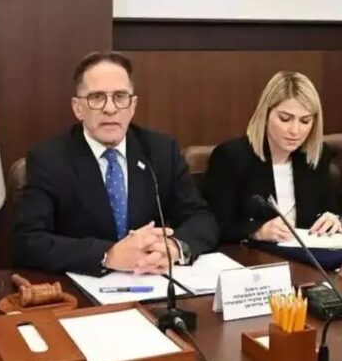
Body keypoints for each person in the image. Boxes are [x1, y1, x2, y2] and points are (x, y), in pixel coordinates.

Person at [13, 51, 219, 275]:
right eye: (97, 97)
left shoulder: (160, 151)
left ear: (132, 106)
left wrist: (173, 247)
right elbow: (28, 241)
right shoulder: (49, 159)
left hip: (150, 279)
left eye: (120, 97)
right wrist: (107, 255)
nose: (110, 108)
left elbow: (201, 219)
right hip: (82, 286)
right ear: (78, 108)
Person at [204, 72, 342, 243]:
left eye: (305, 121)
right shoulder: (231, 157)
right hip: (253, 256)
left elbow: (333, 211)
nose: (295, 130)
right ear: (265, 115)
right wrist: (256, 232)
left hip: (308, 255)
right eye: (285, 119)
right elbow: (213, 226)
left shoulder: (316, 156)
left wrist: (334, 220)